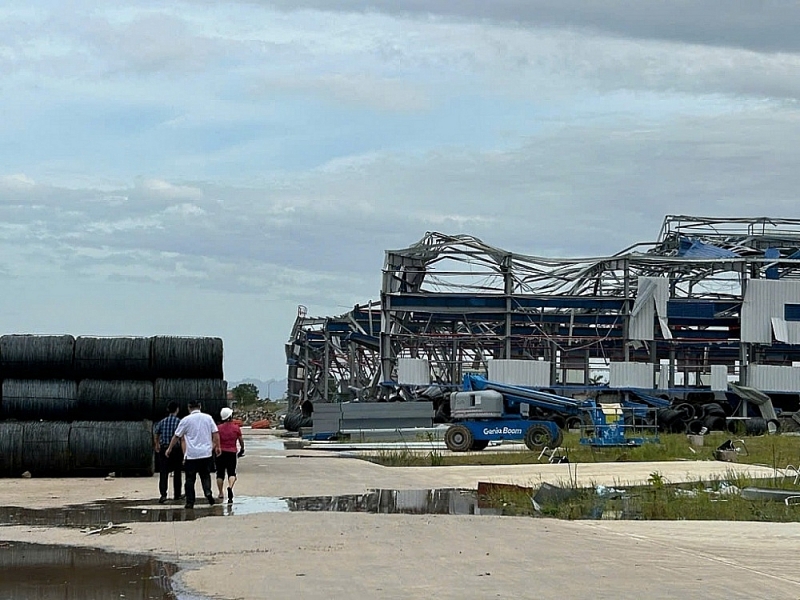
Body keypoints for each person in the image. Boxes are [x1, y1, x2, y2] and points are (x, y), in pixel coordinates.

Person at [166, 400, 221, 509]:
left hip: (191, 455)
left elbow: (176, 436)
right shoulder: (208, 418)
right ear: (200, 406)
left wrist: (169, 448)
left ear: (189, 408)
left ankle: (190, 502)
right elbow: (215, 433)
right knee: (205, 476)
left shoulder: (185, 420)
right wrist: (218, 447)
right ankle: (208, 492)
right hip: (206, 454)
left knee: (190, 479)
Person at [153, 401, 183, 504]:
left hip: (163, 448)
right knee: (177, 472)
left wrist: (157, 444)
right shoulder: (179, 422)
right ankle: (177, 494)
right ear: (177, 410)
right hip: (176, 449)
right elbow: (182, 437)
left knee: (163, 473)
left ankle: (163, 494)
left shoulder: (162, 422)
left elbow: (156, 433)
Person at [215, 407, 245, 503]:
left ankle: (220, 493)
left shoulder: (218, 428)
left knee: (220, 474)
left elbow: (215, 440)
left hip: (220, 452)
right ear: (230, 416)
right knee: (231, 473)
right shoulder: (236, 428)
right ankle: (230, 487)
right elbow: (241, 440)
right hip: (232, 452)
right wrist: (242, 449)